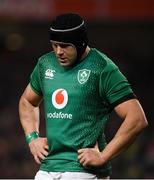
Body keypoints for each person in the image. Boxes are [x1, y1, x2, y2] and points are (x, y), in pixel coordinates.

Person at [19, 13, 148, 180]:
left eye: (65, 46)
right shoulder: (45, 64)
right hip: (47, 167)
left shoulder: (102, 68)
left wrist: (103, 156)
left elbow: (137, 119)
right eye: (54, 45)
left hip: (83, 170)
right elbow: (27, 101)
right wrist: (32, 138)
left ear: (80, 43)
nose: (58, 52)